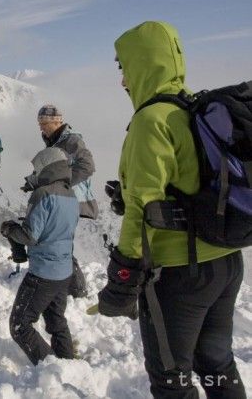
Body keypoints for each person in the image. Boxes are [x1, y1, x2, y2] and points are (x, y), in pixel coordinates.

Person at [97, 21, 245, 398]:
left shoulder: (151, 120)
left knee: (171, 380)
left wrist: (123, 273)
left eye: (123, 67)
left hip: (180, 274)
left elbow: (141, 208)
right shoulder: (194, 107)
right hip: (227, 263)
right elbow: (188, 184)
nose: (123, 80)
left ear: (143, 63)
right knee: (216, 363)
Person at [0, 147, 79, 366]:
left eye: (37, 169)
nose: (34, 173)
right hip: (64, 272)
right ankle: (69, 366)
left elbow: (30, 236)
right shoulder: (71, 194)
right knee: (57, 322)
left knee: (20, 325)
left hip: (43, 274)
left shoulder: (42, 194)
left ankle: (52, 367)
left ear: (46, 167)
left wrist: (9, 229)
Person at [35, 104, 97, 298]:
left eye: (44, 123)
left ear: (57, 122)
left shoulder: (72, 140)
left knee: (61, 242)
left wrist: (62, 183)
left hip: (71, 199)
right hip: (62, 198)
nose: (41, 127)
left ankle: (76, 288)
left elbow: (87, 166)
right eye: (39, 123)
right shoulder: (53, 141)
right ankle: (71, 286)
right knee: (61, 241)